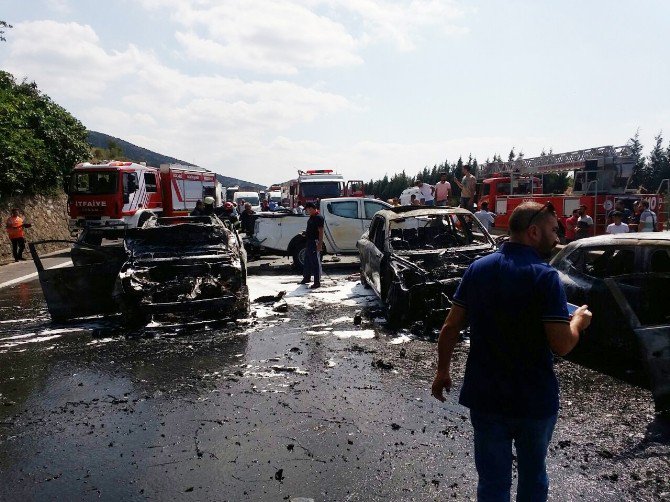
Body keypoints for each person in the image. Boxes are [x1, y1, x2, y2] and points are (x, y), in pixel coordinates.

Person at [431, 201, 592, 502]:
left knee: (492, 483)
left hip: (486, 397)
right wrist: (579, 323)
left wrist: (442, 371)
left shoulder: (478, 269)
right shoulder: (545, 277)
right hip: (533, 399)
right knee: (533, 479)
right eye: (553, 231)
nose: (558, 238)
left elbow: (450, 328)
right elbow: (562, 344)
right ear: (533, 231)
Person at [300, 202, 324, 289]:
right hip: (309, 241)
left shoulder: (318, 218)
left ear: (312, 208)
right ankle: (306, 277)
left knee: (315, 262)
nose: (307, 211)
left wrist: (320, 245)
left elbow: (321, 232)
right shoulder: (312, 217)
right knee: (307, 260)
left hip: (315, 242)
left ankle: (317, 282)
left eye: (308, 209)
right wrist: (305, 233)